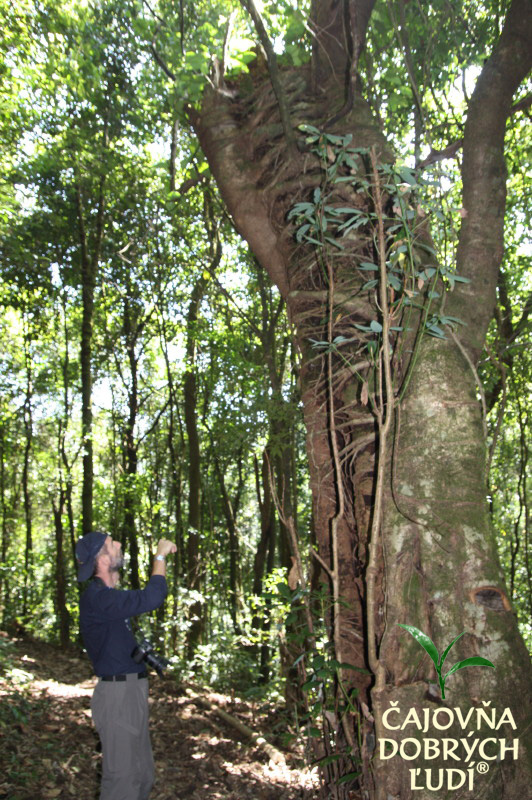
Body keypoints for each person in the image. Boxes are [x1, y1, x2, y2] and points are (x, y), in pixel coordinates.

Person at [76, 530, 176, 800]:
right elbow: (152, 597)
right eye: (111, 544)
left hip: (130, 693)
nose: (119, 544)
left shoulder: (108, 599)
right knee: (122, 782)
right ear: (102, 559)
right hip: (117, 697)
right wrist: (160, 555)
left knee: (142, 776)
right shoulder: (97, 598)